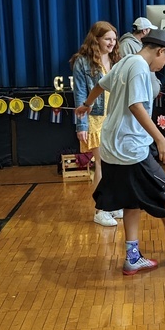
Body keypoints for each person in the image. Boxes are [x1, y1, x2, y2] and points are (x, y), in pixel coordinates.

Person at [74, 29, 165, 275]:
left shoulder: (124, 63)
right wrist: (161, 139)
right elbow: (136, 106)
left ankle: (132, 257)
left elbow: (100, 86)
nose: (163, 65)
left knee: (131, 201)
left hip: (113, 145)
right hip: (130, 147)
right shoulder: (140, 68)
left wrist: (87, 105)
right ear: (160, 51)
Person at [70, 21, 123, 227]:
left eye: (114, 39)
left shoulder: (115, 59)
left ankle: (111, 204)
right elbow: (80, 95)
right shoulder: (82, 62)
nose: (112, 43)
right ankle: (100, 209)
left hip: (115, 117)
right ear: (96, 39)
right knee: (102, 164)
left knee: (115, 165)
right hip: (95, 119)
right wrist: (81, 125)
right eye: (107, 39)